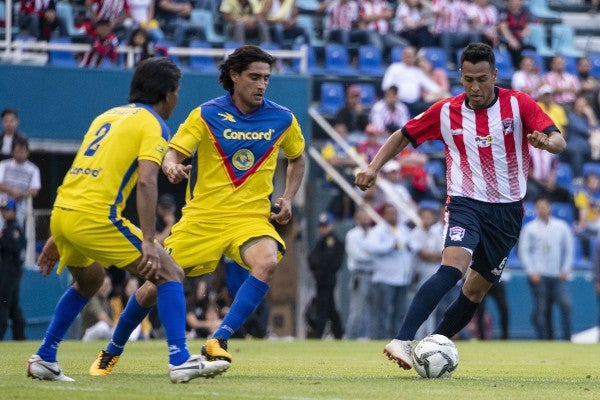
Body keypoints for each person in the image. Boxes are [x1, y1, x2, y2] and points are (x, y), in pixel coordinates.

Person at [85, 45, 306, 374]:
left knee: (267, 261)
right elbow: (173, 153)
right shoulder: (206, 114)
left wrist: (287, 196)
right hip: (202, 219)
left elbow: (297, 158)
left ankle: (219, 339)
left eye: (267, 79)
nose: (262, 85)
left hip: (249, 220)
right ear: (234, 76)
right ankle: (112, 349)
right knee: (149, 287)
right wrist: (171, 167)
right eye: (254, 77)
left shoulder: (283, 118)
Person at [355, 42, 566, 370]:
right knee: (452, 268)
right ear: (460, 76)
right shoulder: (445, 112)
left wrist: (546, 142)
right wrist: (373, 167)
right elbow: (403, 135)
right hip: (465, 201)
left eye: (482, 79)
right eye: (468, 79)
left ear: (494, 75)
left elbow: (559, 140)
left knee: (476, 290)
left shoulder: (518, 104)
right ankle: (402, 339)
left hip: (507, 212)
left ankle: (430, 349)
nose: (475, 87)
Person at [27, 57, 230, 383]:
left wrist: (58, 234)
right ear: (167, 94)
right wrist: (149, 242)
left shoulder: (107, 116)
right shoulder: (152, 124)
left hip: (65, 211)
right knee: (169, 272)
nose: (177, 99)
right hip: (96, 216)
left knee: (90, 280)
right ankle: (180, 359)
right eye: (177, 92)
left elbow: (83, 173)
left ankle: (46, 356)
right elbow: (148, 181)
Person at [518, 196, 573, 340]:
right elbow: (523, 251)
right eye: (539, 207)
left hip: (557, 275)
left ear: (550, 207)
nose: (542, 210)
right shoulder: (529, 229)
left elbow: (569, 249)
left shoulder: (561, 227)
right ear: (536, 209)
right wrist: (531, 271)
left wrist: (565, 269)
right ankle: (544, 339)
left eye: (544, 206)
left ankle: (567, 338)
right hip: (539, 275)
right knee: (541, 309)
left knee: (566, 305)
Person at [365, 203, 413, 339]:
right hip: (385, 278)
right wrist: (391, 246)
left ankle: (397, 339)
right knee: (382, 312)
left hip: (402, 278)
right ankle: (380, 338)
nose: (393, 216)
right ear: (384, 215)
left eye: (394, 213)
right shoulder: (378, 231)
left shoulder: (403, 230)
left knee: (400, 313)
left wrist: (409, 246)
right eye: (390, 213)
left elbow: (415, 244)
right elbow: (372, 247)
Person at [307, 212, 345, 339]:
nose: (322, 228)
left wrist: (319, 267)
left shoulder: (334, 242)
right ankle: (339, 334)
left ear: (332, 226)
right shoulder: (320, 242)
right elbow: (311, 259)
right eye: (321, 226)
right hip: (320, 279)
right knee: (330, 308)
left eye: (325, 225)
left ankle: (319, 335)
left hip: (327, 280)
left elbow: (332, 262)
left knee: (323, 308)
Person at [344, 207, 375, 339]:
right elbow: (358, 256)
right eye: (362, 217)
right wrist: (375, 253)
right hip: (360, 275)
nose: (365, 219)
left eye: (367, 216)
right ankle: (351, 338)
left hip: (374, 275)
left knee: (373, 311)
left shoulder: (374, 233)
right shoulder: (352, 235)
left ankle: (371, 338)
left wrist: (373, 253)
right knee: (357, 311)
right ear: (357, 219)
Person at [0, 136, 41, 229]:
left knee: (16, 233)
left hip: (20, 208)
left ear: (27, 152)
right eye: (18, 151)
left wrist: (21, 194)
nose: (20, 154)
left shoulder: (33, 169)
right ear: (13, 151)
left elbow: (35, 190)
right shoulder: (4, 165)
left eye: (23, 151)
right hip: (2, 205)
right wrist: (11, 190)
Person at [0, 198, 27, 341]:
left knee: (4, 302)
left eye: (6, 210)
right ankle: (20, 335)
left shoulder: (14, 228)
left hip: (10, 270)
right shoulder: (7, 227)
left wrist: (2, 240)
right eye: (3, 210)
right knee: (13, 305)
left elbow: (17, 248)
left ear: (14, 211)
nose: (4, 213)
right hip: (9, 270)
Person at [80, 275, 115, 341]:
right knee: (103, 326)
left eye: (107, 285)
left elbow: (112, 319)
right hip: (87, 336)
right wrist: (115, 328)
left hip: (102, 335)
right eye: (102, 285)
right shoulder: (92, 298)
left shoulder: (106, 301)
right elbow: (101, 316)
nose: (105, 287)